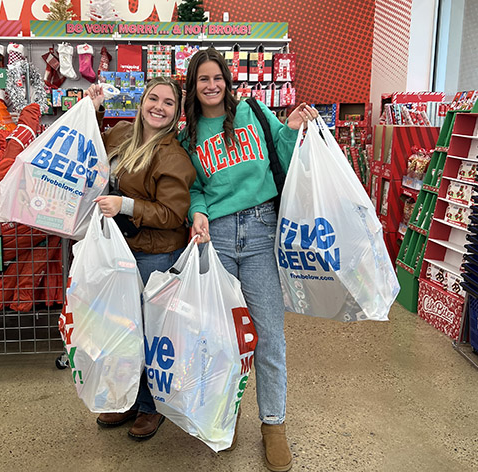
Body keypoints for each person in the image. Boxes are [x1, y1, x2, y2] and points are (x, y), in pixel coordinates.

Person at [180, 48, 318, 472]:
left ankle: (273, 424)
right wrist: (197, 210)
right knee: (221, 338)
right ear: (193, 85)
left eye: (217, 77)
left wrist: (292, 127)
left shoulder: (255, 112)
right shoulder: (187, 137)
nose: (211, 85)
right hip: (216, 236)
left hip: (261, 231)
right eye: (202, 79)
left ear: (227, 79)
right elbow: (194, 187)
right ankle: (227, 411)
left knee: (269, 336)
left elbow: (285, 153)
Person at [86, 77, 196, 441]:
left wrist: (126, 205)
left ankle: (151, 408)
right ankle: (128, 398)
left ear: (177, 113)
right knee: (122, 329)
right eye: (153, 98)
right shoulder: (119, 133)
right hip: (119, 251)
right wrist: (93, 110)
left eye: (168, 103)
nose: (158, 107)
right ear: (141, 101)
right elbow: (91, 153)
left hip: (155, 254)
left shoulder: (172, 155)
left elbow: (172, 214)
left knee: (151, 335)